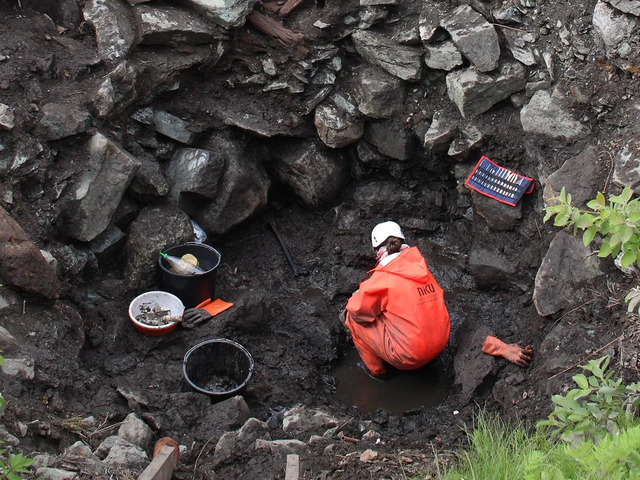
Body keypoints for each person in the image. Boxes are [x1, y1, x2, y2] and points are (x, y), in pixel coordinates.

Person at [343, 221, 532, 379]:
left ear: (378, 249)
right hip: (441, 341)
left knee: (351, 319)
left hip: (410, 356)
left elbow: (357, 312)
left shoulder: (379, 281)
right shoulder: (420, 267)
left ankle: (378, 373)